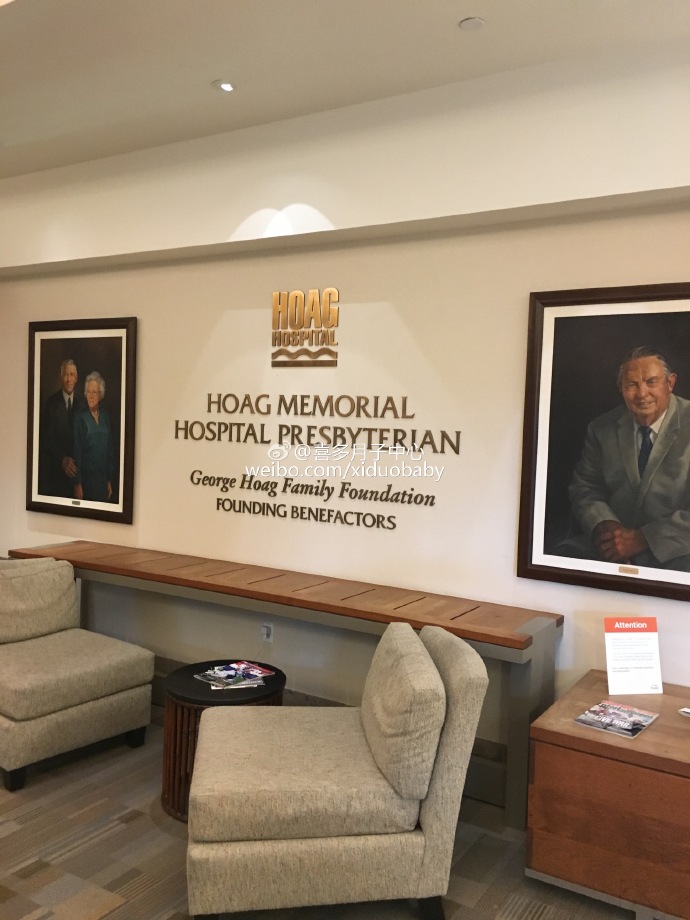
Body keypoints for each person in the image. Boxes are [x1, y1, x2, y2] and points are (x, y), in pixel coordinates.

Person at [566, 346, 690, 571]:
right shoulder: (601, 428)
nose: (642, 394)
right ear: (621, 389)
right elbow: (585, 487)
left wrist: (643, 539)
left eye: (651, 382)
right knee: (561, 557)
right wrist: (605, 525)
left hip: (679, 551)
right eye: (632, 385)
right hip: (612, 548)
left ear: (670, 383)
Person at [38, 359, 85, 497]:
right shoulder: (50, 404)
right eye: (66, 374)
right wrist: (62, 459)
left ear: (76, 378)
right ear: (60, 377)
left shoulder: (83, 404)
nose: (68, 379)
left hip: (81, 477)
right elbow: (46, 440)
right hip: (56, 477)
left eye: (72, 375)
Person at [73, 371, 115, 502]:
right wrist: (77, 483)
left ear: (101, 395)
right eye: (88, 392)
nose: (90, 396)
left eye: (94, 392)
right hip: (86, 481)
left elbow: (109, 450)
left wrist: (109, 480)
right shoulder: (80, 418)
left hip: (102, 480)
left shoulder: (105, 417)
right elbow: (76, 452)